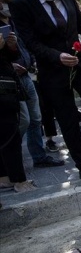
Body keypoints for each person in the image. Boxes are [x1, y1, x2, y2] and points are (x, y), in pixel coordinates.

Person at [11, 0, 81, 180]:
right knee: (68, 117)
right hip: (52, 69)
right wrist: (56, 56)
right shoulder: (21, 4)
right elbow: (30, 41)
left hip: (80, 62)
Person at [0, 0, 64, 168]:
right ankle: (9, 157)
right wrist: (9, 65)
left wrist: (31, 61)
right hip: (9, 80)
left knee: (36, 118)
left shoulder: (14, 20)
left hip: (26, 76)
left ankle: (39, 156)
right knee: (23, 121)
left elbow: (26, 44)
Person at [0, 28, 36, 193]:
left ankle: (6, 177)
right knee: (10, 134)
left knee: (9, 132)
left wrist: (10, 47)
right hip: (4, 92)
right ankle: (19, 181)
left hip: (8, 87)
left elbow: (10, 58)